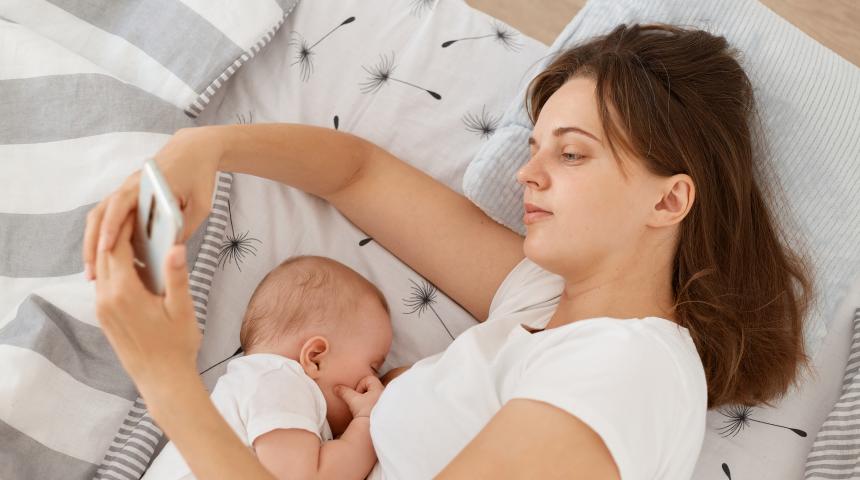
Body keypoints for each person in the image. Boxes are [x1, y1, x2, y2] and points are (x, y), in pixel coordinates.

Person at [85, 24, 811, 479]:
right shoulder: (539, 302)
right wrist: (210, 148)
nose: (528, 174)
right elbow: (358, 174)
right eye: (534, 148)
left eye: (572, 153)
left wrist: (165, 378)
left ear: (668, 201)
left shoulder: (629, 372)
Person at [142, 255, 392, 480]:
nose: (377, 382)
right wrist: (367, 423)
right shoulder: (279, 380)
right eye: (373, 367)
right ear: (315, 357)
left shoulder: (261, 385)